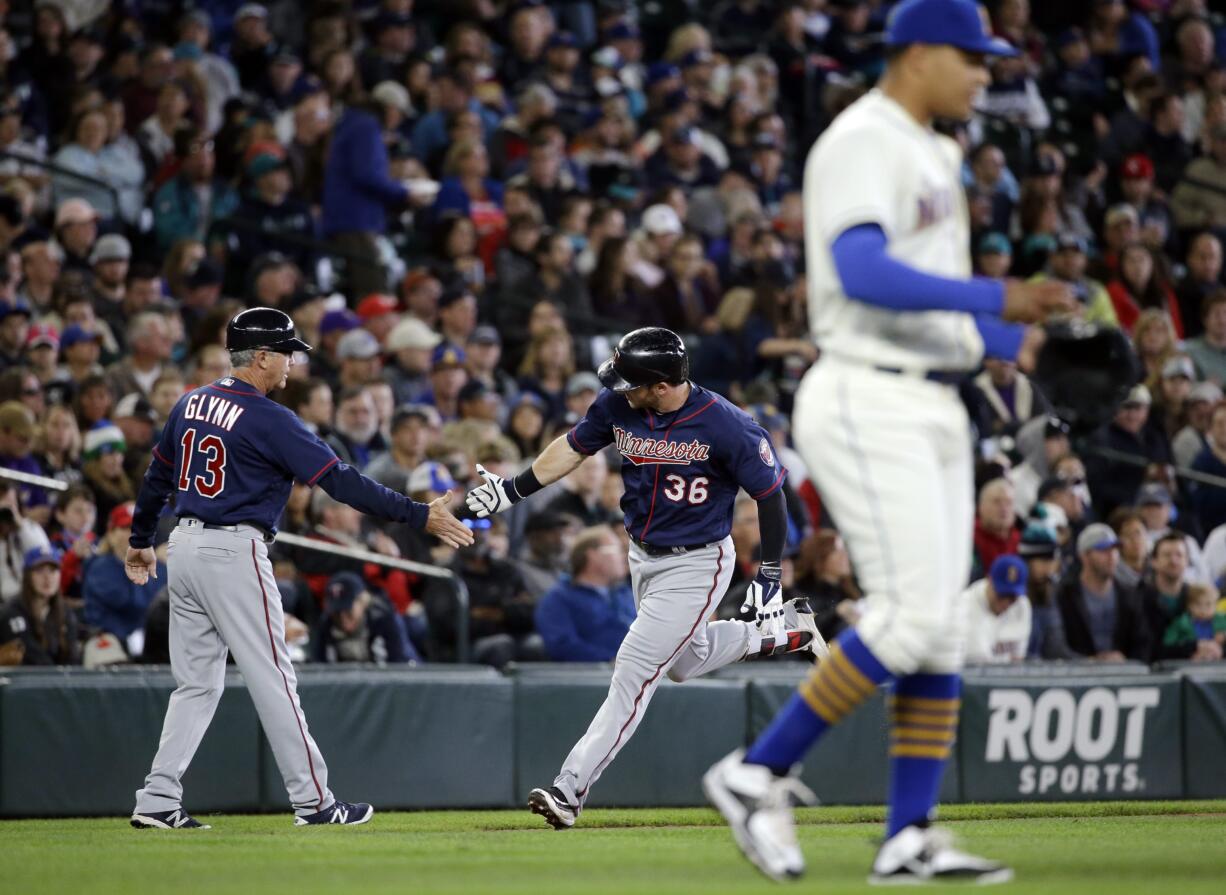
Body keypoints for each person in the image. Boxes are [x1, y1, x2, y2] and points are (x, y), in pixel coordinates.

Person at [701, 2, 1074, 884]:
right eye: (972, 56)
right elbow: (862, 271)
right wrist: (998, 298)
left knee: (940, 631)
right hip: (868, 394)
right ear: (918, 54)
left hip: (936, 393)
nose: (985, 73)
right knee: (910, 619)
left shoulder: (937, 151)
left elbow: (934, 301)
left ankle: (907, 834)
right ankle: (757, 772)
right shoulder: (863, 136)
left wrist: (1025, 346)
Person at [465, 326, 826, 830]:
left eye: (631, 382)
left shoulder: (726, 424)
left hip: (699, 560)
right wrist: (513, 490)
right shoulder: (619, 406)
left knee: (633, 671)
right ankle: (786, 633)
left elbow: (771, 495)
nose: (620, 389)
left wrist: (768, 571)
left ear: (660, 384)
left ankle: (570, 789)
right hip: (643, 554)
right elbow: (572, 447)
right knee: (684, 661)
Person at [126, 307, 473, 831]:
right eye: (286, 352)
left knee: (196, 685)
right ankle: (314, 802)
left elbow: (157, 477)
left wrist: (139, 540)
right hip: (232, 550)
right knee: (275, 678)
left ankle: (156, 798)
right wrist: (419, 513)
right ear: (260, 356)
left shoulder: (191, 401)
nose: (293, 362)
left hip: (185, 548)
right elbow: (342, 482)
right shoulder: (268, 418)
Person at [534, 524, 636, 661]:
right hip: (590, 678)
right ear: (593, 555)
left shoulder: (625, 593)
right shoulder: (558, 599)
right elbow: (562, 646)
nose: (624, 556)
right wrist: (612, 660)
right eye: (617, 550)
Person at [1055, 523, 1152, 662]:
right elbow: (1057, 645)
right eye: (1103, 550)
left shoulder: (1129, 595)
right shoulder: (1064, 595)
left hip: (1123, 674)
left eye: (1114, 550)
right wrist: (1090, 661)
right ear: (1085, 556)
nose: (1112, 556)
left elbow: (1143, 642)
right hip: (1077, 675)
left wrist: (1125, 659)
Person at [0, 545, 80, 665]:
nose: (47, 578)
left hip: (58, 681)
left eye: (53, 571)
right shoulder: (12, 611)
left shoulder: (65, 613)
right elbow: (29, 653)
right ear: (28, 576)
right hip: (20, 681)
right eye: (39, 571)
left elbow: (73, 657)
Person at [961, 555, 1031, 664]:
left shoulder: (1022, 605)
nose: (1005, 603)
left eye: (1012, 597)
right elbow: (979, 664)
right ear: (989, 580)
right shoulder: (966, 606)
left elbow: (1018, 659)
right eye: (1001, 595)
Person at [1162, 583, 1226, 661]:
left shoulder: (1222, 620)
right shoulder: (1180, 623)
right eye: (1198, 604)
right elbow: (1168, 643)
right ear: (1189, 605)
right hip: (1189, 662)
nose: (1203, 609)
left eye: (1208, 604)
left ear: (1215, 605)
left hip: (1217, 663)